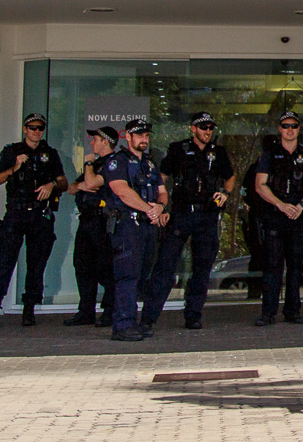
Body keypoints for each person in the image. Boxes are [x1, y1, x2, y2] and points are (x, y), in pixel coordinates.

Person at [149, 111, 236, 332]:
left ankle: (194, 314)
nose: (208, 131)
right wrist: (161, 204)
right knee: (165, 266)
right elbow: (163, 177)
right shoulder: (178, 149)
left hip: (206, 214)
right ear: (193, 129)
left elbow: (230, 176)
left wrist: (225, 193)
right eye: (203, 127)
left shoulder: (218, 152)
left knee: (202, 267)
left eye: (210, 128)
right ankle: (149, 317)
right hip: (181, 213)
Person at [0, 113, 69, 328]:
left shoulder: (50, 154)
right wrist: (14, 168)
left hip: (40, 215)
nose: (36, 131)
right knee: (5, 262)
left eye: (40, 128)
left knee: (36, 264)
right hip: (16, 213)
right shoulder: (12, 151)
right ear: (24, 129)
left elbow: (64, 183)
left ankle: (29, 308)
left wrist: (51, 185)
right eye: (32, 128)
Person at [102, 119, 168, 343]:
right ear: (127, 137)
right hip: (127, 225)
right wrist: (149, 209)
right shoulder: (116, 161)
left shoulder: (149, 164)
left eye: (146, 135)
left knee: (141, 276)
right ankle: (122, 325)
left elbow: (162, 191)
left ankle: (134, 321)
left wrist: (159, 206)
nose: (144, 139)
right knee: (127, 275)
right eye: (139, 135)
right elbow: (121, 191)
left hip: (147, 226)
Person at [255, 110, 303, 326]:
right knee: (273, 266)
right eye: (285, 126)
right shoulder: (269, 154)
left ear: (299, 129)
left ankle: (293, 311)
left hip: (299, 216)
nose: (290, 129)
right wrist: (281, 205)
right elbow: (260, 185)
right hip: (276, 215)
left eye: (294, 125)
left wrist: (301, 205)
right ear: (279, 129)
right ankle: (268, 313)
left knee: (296, 267)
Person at [63, 125, 120, 327]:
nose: (92, 143)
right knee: (82, 265)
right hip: (86, 220)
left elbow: (93, 183)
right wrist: (83, 183)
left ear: (106, 141)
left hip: (102, 221)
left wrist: (88, 163)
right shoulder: (94, 165)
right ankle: (86, 311)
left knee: (105, 267)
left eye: (95, 139)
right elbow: (72, 188)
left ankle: (110, 311)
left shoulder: (113, 163)